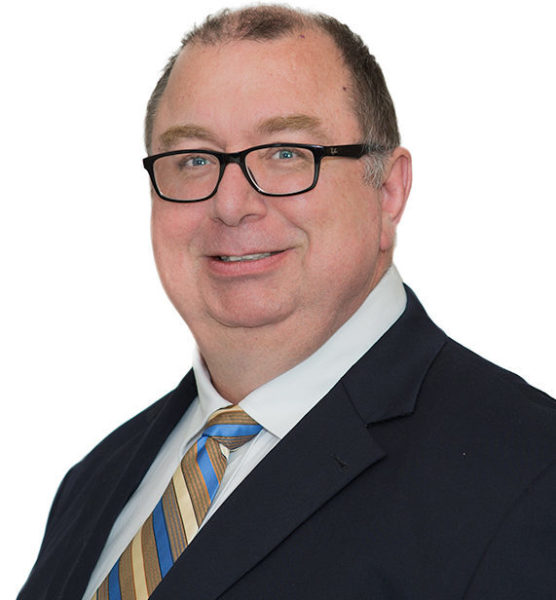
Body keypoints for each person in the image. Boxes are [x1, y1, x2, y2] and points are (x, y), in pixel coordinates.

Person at [18, 5, 555, 600]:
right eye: (193, 159)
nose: (231, 205)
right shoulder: (94, 482)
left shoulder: (530, 476)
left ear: (388, 190)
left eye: (286, 153)